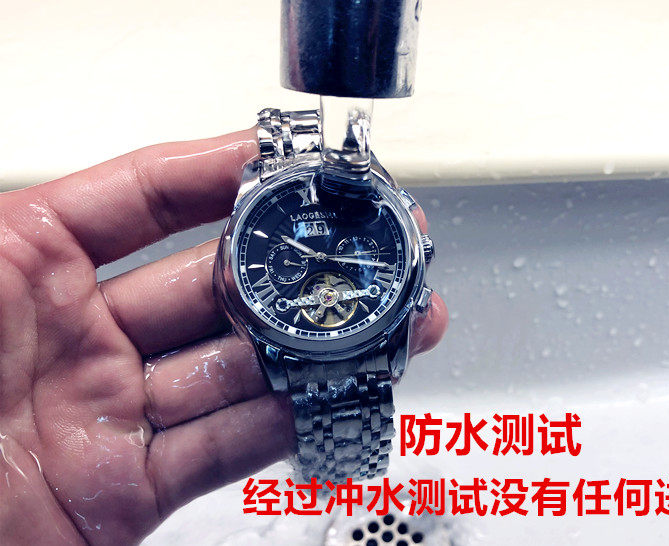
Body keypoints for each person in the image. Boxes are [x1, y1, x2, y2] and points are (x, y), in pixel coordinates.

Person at [0, 129, 448, 544]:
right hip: (297, 339)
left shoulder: (366, 199)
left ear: (417, 251)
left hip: (367, 331)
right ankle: (336, 481)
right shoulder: (252, 228)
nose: (319, 259)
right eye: (299, 255)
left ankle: (337, 479)